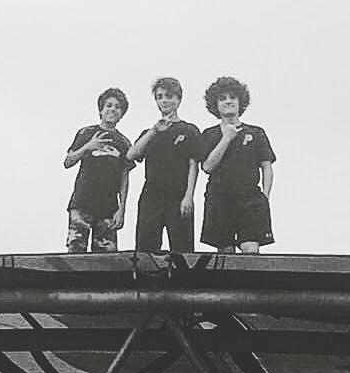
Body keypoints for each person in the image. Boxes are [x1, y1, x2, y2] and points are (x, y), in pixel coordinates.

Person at [199, 75, 275, 253]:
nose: (228, 101)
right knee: (225, 252)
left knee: (251, 249)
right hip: (220, 199)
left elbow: (267, 166)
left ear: (241, 102)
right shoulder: (209, 134)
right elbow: (207, 167)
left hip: (250, 199)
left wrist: (265, 197)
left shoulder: (256, 133)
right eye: (222, 98)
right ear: (215, 104)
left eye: (233, 97)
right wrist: (227, 138)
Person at [127, 76, 203, 252]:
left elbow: (194, 165)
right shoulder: (149, 132)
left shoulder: (189, 130)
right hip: (151, 196)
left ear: (178, 99)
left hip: (178, 195)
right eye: (159, 97)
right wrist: (154, 130)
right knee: (146, 249)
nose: (164, 101)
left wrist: (189, 196)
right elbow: (131, 155)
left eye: (169, 96)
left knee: (182, 250)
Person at [63, 87, 134, 253]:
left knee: (106, 259)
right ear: (101, 110)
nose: (112, 109)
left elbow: (124, 177)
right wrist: (88, 147)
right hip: (82, 203)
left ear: (121, 114)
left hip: (108, 208)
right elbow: (68, 161)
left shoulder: (123, 142)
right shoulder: (86, 133)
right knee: (76, 253)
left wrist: (122, 209)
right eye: (108, 105)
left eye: (117, 107)